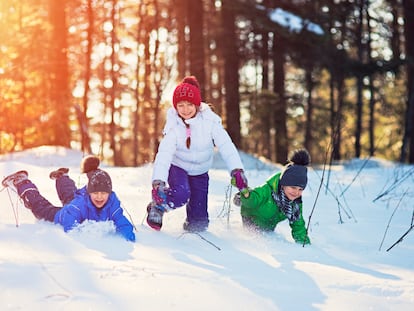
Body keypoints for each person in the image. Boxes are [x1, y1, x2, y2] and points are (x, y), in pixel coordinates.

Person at [146, 75, 249, 232]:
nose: (185, 109)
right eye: (180, 105)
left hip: (200, 171)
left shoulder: (210, 122)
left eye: (189, 104)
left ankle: (193, 234)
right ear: (175, 107)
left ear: (197, 105)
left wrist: (237, 170)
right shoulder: (174, 126)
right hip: (178, 167)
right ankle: (158, 205)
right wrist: (158, 182)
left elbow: (226, 146)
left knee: (199, 222)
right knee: (181, 194)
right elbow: (164, 155)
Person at [1, 155, 136, 242]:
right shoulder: (79, 204)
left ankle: (62, 177)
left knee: (69, 194)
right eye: (96, 193)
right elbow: (69, 223)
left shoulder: (112, 203)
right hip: (63, 215)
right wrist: (85, 232)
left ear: (109, 193)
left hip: (76, 204)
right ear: (89, 193)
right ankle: (22, 181)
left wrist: (128, 236)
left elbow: (121, 220)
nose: (99, 197)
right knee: (40, 208)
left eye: (103, 193)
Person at [234, 149, 311, 245]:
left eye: (300, 189)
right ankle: (242, 194)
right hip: (251, 219)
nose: (296, 192)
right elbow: (253, 200)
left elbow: (298, 224)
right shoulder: (268, 190)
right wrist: (245, 194)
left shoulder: (295, 203)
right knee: (256, 241)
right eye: (293, 187)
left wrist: (305, 244)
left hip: (269, 226)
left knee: (269, 237)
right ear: (283, 184)